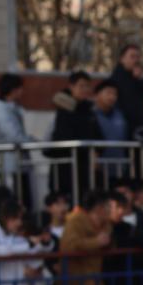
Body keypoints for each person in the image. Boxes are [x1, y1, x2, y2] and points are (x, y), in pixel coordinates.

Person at [45, 71, 100, 199]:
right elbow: (63, 136)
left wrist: (95, 153)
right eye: (81, 86)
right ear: (71, 87)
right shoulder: (64, 108)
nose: (85, 89)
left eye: (87, 86)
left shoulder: (89, 110)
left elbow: (97, 135)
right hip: (65, 168)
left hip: (84, 168)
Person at [0, 73, 34, 210]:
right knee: (14, 203)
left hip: (13, 164)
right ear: (12, 90)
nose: (22, 92)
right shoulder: (2, 110)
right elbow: (14, 135)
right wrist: (33, 142)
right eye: (20, 88)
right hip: (8, 165)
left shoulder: (8, 109)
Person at [109, 43, 143, 137]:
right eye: (132, 56)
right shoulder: (116, 78)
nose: (136, 60)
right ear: (122, 59)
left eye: (138, 57)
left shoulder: (138, 77)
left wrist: (141, 79)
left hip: (138, 125)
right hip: (122, 125)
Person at [91, 80, 129, 184]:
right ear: (97, 95)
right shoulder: (90, 115)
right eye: (108, 93)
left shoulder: (120, 116)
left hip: (119, 168)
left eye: (115, 94)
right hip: (97, 170)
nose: (112, 97)